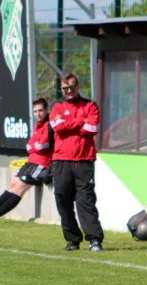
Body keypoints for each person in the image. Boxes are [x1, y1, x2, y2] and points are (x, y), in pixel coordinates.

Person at [0, 98, 53, 224]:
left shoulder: (49, 125)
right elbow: (30, 146)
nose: (38, 114)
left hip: (41, 164)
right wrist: (34, 146)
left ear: (46, 110)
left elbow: (39, 146)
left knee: (20, 188)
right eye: (35, 111)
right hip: (31, 161)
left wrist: (34, 147)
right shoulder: (38, 125)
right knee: (12, 184)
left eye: (40, 111)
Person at [49, 72, 104, 252]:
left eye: (72, 87)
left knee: (86, 201)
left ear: (78, 86)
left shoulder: (90, 105)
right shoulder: (56, 106)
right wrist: (80, 121)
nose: (69, 91)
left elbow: (93, 127)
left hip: (84, 161)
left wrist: (69, 124)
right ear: (62, 89)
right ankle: (73, 239)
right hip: (61, 161)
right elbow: (57, 127)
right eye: (65, 88)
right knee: (63, 200)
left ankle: (94, 240)